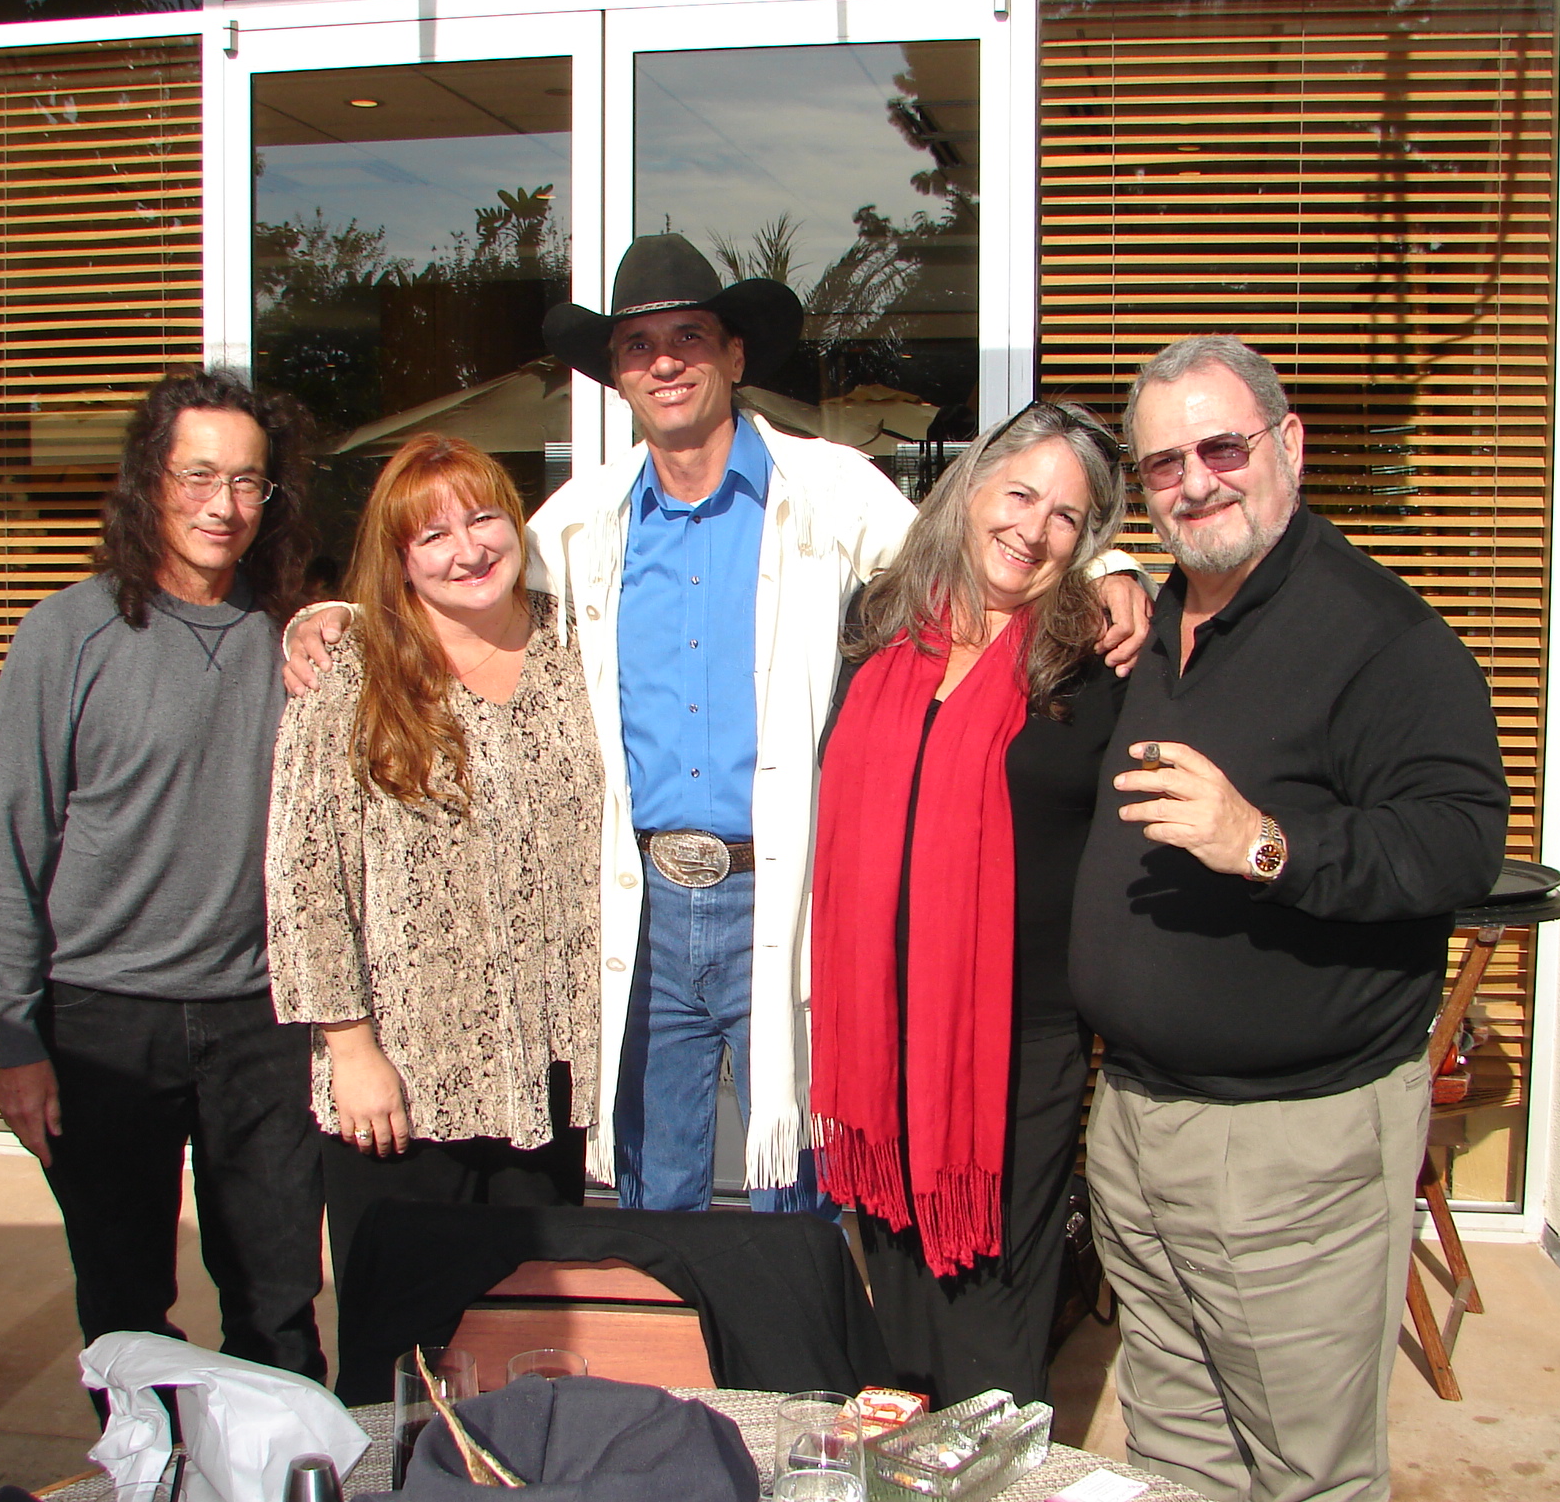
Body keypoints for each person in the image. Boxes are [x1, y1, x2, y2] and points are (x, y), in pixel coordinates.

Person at [286, 233, 1153, 1214]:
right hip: (643, 907)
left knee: (794, 1187)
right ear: (615, 375)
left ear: (734, 357)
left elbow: (972, 555)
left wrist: (1102, 568)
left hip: (779, 897)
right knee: (657, 1194)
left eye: (688, 338)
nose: (663, 362)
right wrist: (342, 619)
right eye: (637, 345)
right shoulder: (584, 518)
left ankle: (790, 1367)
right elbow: (460, 586)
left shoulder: (824, 489)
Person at [1072, 335, 1509, 1502]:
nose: (1195, 480)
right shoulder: (1160, 615)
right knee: (1177, 1455)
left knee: (1303, 1472)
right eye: (1162, 464)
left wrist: (1260, 842)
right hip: (1137, 1122)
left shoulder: (1377, 637)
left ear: (1288, 446)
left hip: (1288, 1147)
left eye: (1222, 446)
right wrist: (1104, 572)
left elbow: (1458, 841)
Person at [0, 368, 325, 1388]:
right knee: (125, 1305)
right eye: (199, 476)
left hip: (262, 1019)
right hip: (101, 1024)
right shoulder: (66, 635)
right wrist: (18, 1038)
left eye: (249, 482)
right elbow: (8, 843)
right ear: (147, 482)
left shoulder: (296, 634)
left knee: (277, 1297)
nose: (224, 506)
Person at [809, 401, 1130, 1408]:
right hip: (874, 1025)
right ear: (971, 488)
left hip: (1012, 1036)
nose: (1033, 528)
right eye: (1021, 493)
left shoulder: (1094, 656)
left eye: (1068, 519)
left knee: (992, 1303)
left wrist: (1137, 586)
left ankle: (990, 1465)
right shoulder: (875, 622)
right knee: (897, 1301)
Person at [266, 435, 603, 1281]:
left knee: (535, 1327)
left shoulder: (583, 648)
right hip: (407, 1076)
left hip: (552, 1068)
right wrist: (350, 1051)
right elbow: (305, 878)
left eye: (484, 518)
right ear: (399, 559)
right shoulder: (351, 670)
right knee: (401, 1341)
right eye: (433, 536)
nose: (469, 550)